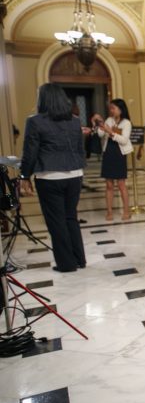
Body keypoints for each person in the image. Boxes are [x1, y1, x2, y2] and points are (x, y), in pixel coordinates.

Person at [19, 83, 86, 273]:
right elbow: (80, 149)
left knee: (56, 221)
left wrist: (24, 175)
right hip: (75, 175)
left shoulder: (35, 121)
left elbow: (30, 152)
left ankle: (66, 264)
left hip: (49, 176)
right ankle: (79, 259)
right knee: (71, 217)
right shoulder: (74, 121)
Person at [95, 99, 133, 221]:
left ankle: (126, 211)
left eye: (113, 108)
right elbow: (100, 134)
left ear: (121, 109)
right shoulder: (109, 120)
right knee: (109, 184)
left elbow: (124, 140)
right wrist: (100, 123)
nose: (111, 110)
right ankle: (109, 211)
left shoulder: (126, 123)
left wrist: (110, 132)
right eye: (110, 108)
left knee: (121, 184)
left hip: (119, 153)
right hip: (109, 152)